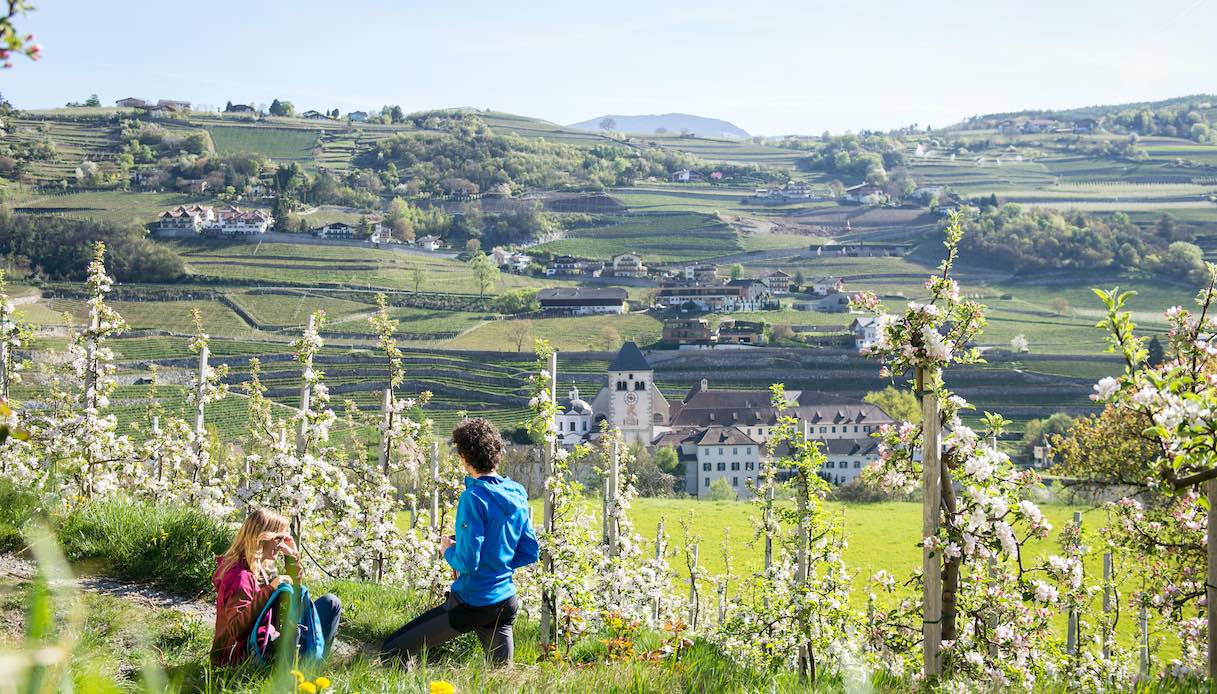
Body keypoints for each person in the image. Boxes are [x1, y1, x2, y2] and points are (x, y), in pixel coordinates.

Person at [382, 418, 539, 666]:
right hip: (506, 601)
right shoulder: (517, 492)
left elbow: (466, 562)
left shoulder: (473, 497)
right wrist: (497, 564)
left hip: (473, 602)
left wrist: (448, 551)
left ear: (464, 457)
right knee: (500, 679)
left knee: (393, 650)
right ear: (496, 453)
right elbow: (530, 551)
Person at [210, 508, 342, 666]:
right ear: (262, 537)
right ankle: (304, 670)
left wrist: (291, 557)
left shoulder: (261, 567)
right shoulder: (239, 575)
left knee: (330, 603)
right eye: (278, 538)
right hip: (239, 657)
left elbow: (295, 599)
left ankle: (313, 667)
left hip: (267, 636)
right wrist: (269, 590)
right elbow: (236, 630)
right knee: (295, 632)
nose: (281, 545)